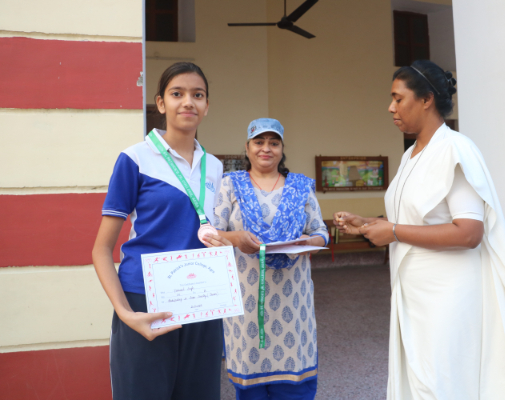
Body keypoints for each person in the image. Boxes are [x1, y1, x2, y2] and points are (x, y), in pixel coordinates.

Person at [333, 60, 505, 400]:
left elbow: (469, 233)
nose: (391, 107)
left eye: (398, 98)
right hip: (413, 293)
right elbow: (414, 219)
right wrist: (367, 223)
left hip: (447, 299)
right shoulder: (411, 155)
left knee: (441, 384)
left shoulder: (455, 149)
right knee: (419, 381)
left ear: (426, 99)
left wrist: (393, 231)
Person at [92, 62, 231, 400]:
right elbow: (101, 249)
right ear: (161, 103)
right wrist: (126, 313)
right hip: (145, 301)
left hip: (201, 301)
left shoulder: (214, 166)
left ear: (207, 106)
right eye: (177, 93)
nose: (188, 102)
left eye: (198, 95)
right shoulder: (135, 159)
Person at [213, 118, 328, 400]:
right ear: (247, 147)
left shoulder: (300, 187)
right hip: (246, 302)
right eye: (259, 142)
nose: (266, 148)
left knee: (295, 388)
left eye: (274, 143)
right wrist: (236, 238)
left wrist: (308, 242)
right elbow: (212, 233)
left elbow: (321, 232)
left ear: (282, 148)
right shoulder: (230, 185)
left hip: (293, 301)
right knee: (250, 386)